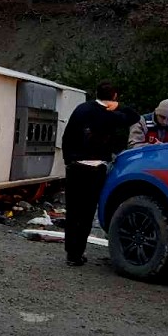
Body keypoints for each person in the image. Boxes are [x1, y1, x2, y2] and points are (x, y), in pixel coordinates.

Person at [60, 81, 141, 267]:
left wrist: (68, 159)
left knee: (73, 211)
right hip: (96, 168)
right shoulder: (111, 115)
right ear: (114, 97)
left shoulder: (81, 109)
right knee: (88, 211)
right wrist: (119, 106)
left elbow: (67, 136)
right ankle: (78, 252)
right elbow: (134, 116)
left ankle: (71, 253)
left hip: (75, 165)